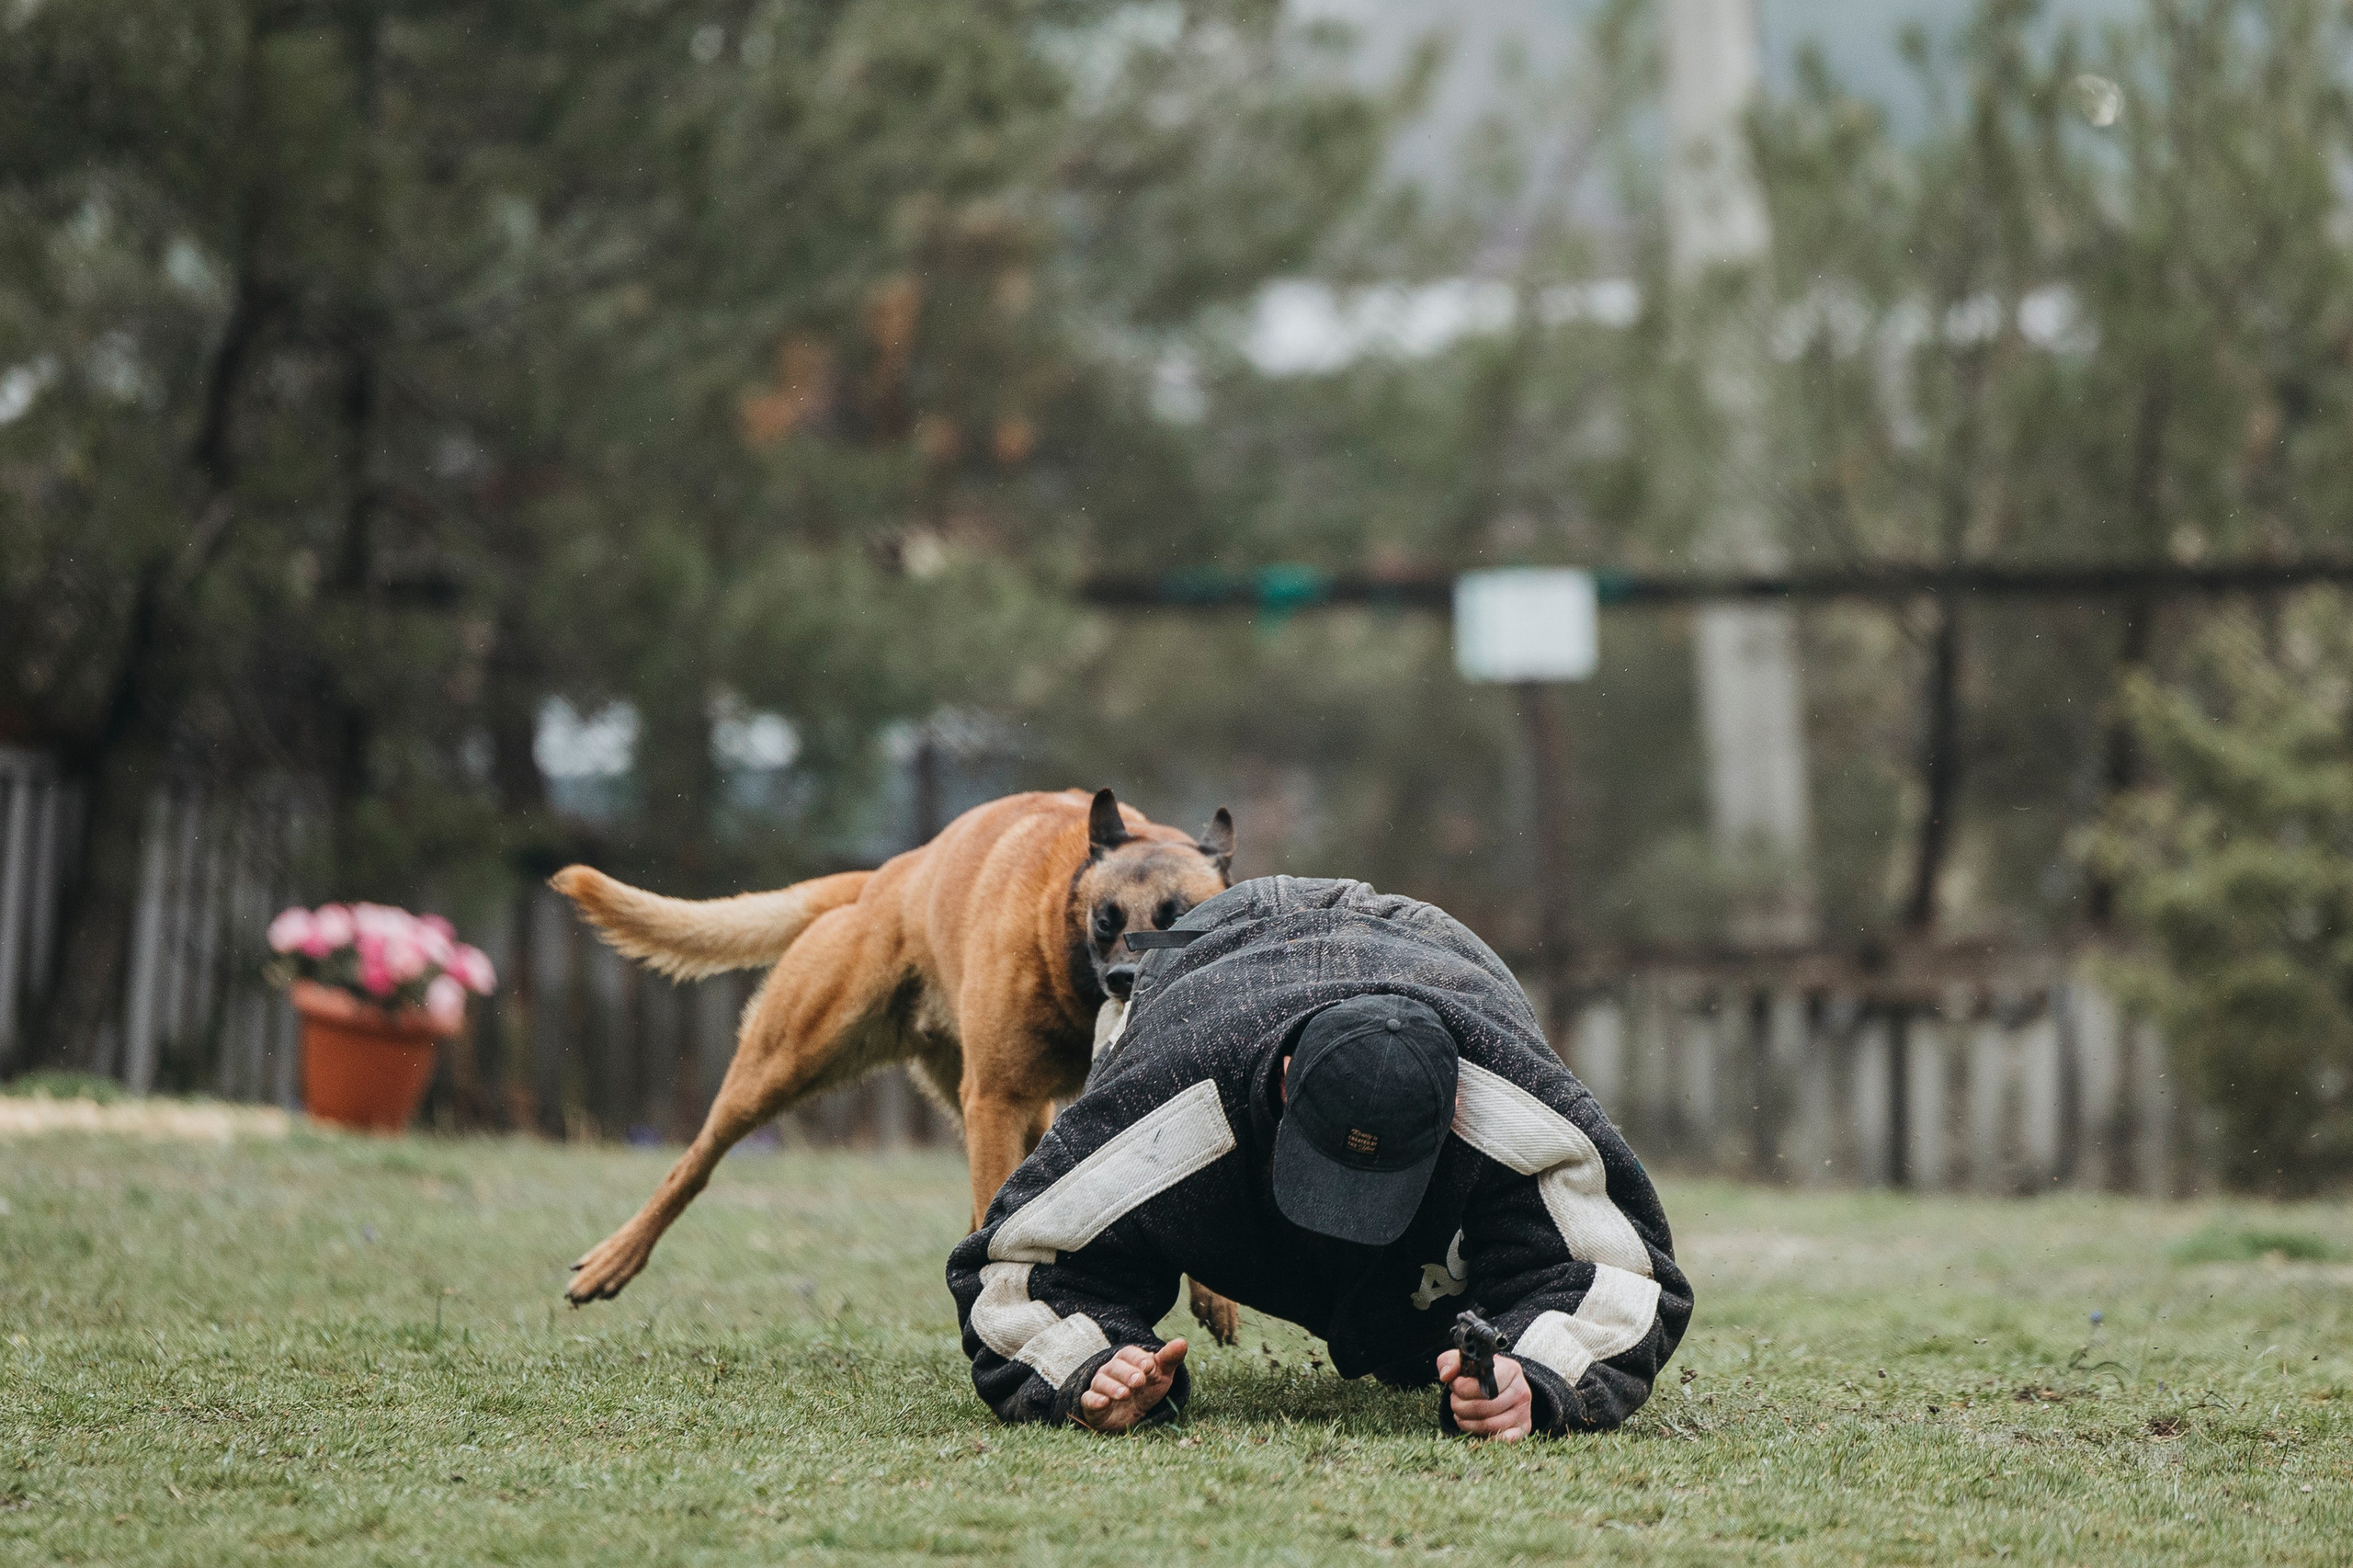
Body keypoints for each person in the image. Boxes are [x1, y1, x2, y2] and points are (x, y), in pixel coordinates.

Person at [946, 875, 1691, 1438]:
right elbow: (1017, 1268)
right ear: (1283, 1079)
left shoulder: (1511, 1092)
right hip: (1212, 957)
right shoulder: (1171, 1091)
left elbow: (1622, 1277)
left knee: (1423, 1330)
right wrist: (1088, 1363)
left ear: (1456, 1109)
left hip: (1443, 956)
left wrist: (1539, 1379)